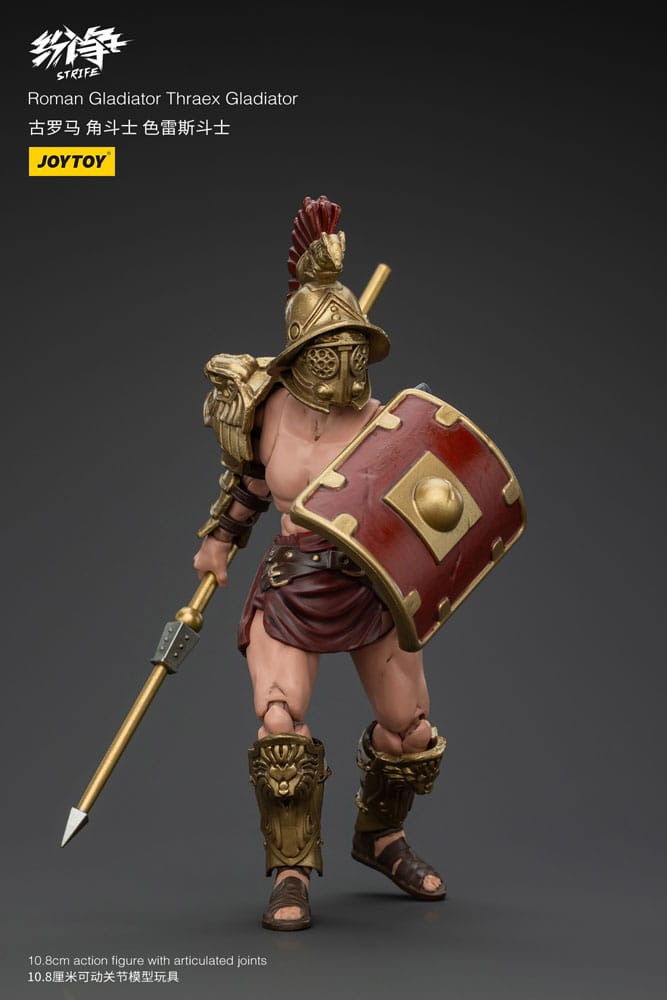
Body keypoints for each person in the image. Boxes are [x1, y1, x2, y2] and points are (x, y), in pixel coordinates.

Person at [193, 195, 447, 931]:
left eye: (354, 353)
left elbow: (427, 514)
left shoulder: (387, 426)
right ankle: (291, 872)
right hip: (292, 582)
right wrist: (220, 540)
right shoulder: (264, 408)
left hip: (367, 583)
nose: (346, 369)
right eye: (332, 354)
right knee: (280, 723)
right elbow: (249, 483)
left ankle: (380, 839)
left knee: (410, 731)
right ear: (304, 354)